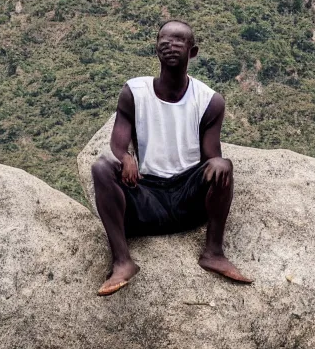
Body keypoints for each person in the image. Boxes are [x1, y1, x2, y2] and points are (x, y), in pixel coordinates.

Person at [91, 20, 253, 296]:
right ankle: (122, 261)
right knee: (102, 167)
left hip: (188, 201)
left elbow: (210, 158)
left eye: (179, 40)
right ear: (156, 49)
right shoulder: (134, 92)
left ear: (193, 52)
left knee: (222, 165)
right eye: (164, 40)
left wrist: (219, 166)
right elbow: (118, 143)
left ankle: (213, 252)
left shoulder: (209, 100)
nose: (170, 45)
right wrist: (125, 157)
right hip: (146, 197)